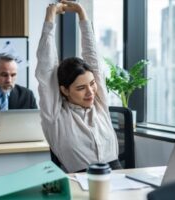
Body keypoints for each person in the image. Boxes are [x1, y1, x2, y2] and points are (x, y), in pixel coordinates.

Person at [35, 1, 121, 173]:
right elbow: (46, 68)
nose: (90, 92)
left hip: (116, 174)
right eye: (81, 88)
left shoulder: (99, 103)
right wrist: (50, 18)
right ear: (64, 90)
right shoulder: (55, 116)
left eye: (92, 84)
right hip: (81, 180)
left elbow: (93, 57)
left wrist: (82, 14)